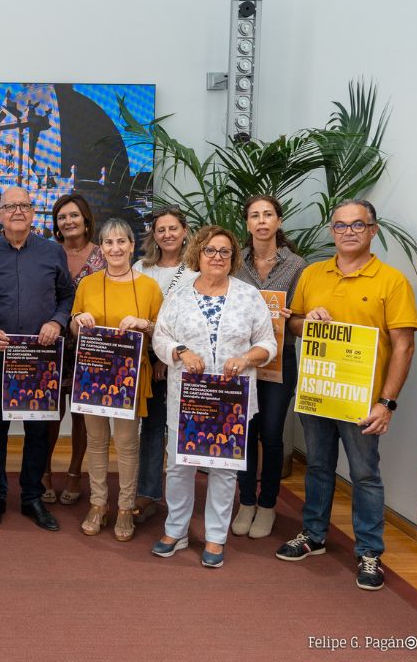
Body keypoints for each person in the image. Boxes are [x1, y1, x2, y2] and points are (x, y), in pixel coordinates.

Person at [276, 200, 417, 591]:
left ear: (373, 230)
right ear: (331, 231)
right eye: (341, 225)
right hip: (320, 393)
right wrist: (309, 320)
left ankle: (369, 552)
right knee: (318, 467)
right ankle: (314, 534)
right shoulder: (312, 274)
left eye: (358, 225)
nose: (349, 231)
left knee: (364, 474)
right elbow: (293, 327)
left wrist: (386, 403)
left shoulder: (391, 281)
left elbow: (403, 346)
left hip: (363, 402)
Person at [152, 226, 276, 568]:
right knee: (179, 465)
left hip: (230, 397)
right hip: (188, 395)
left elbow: (268, 343)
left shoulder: (249, 296)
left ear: (233, 257)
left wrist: (247, 358)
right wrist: (180, 351)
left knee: (223, 469)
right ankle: (175, 531)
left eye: (224, 252)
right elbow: (159, 338)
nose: (217, 257)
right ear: (198, 254)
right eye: (210, 251)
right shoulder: (177, 296)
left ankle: (215, 536)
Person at [0, 187, 75, 531]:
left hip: (40, 356)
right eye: (10, 206)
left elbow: (67, 296)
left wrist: (56, 322)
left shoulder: (52, 252)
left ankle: (32, 496)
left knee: (37, 428)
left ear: (34, 214)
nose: (18, 211)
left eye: (24, 206)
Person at [69, 218, 162, 542]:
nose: (116, 248)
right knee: (95, 443)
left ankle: (124, 508)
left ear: (132, 246)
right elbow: (73, 326)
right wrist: (79, 320)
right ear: (102, 248)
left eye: (122, 241)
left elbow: (160, 331)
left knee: (125, 444)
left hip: (130, 379)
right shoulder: (88, 284)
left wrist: (144, 324)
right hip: (93, 376)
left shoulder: (149, 287)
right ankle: (98, 504)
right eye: (109, 242)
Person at [230, 195, 307, 539]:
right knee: (245, 431)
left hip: (280, 361)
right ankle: (246, 501)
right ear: (246, 224)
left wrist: (294, 318)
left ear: (278, 221)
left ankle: (268, 504)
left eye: (268, 215)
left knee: (272, 434)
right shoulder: (235, 262)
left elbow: (302, 318)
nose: (262, 221)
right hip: (241, 361)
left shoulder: (297, 265)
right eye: (254, 216)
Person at [132, 207, 197, 526]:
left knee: (183, 430)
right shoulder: (140, 268)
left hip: (187, 363)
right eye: (161, 230)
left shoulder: (198, 270)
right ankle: (148, 493)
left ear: (185, 231)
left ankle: (181, 499)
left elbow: (196, 321)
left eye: (173, 228)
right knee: (153, 428)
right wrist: (157, 359)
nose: (168, 235)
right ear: (153, 235)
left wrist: (169, 357)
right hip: (148, 362)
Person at [44, 194, 105, 505]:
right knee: (50, 413)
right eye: (62, 217)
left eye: (74, 215)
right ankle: (44, 472)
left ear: (85, 219)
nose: (68, 221)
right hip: (51, 343)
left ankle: (74, 473)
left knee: (83, 415)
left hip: (89, 347)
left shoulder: (103, 256)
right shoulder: (46, 253)